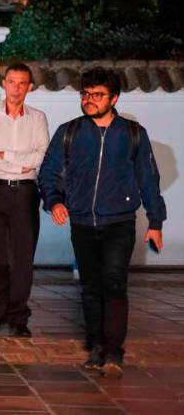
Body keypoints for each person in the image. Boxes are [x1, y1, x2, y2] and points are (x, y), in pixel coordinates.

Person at [39, 67, 166, 379]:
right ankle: (96, 346)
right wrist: (55, 201)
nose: (89, 100)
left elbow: (148, 179)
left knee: (114, 282)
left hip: (119, 222)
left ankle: (114, 351)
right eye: (85, 94)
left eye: (97, 95)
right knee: (90, 286)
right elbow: (49, 172)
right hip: (82, 222)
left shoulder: (133, 134)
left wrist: (156, 221)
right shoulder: (69, 132)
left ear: (114, 98)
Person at [0, 64, 49, 337]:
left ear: (30, 86)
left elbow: (42, 156)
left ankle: (18, 317)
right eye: (12, 82)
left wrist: (5, 156)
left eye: (22, 83)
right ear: (4, 84)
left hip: (25, 193)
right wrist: (21, 163)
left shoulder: (37, 118)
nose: (16, 88)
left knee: (22, 257)